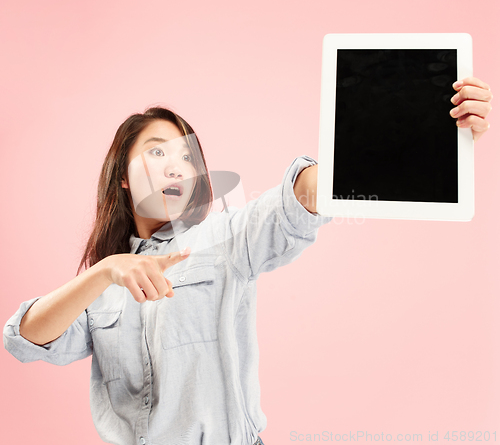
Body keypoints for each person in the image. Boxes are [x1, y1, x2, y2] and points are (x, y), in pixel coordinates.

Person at [3, 77, 493, 445]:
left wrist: (421, 127)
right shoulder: (100, 285)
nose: (177, 165)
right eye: (156, 152)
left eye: (186, 156)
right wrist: (105, 271)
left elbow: (297, 199)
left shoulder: (224, 238)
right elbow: (24, 339)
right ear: (123, 177)